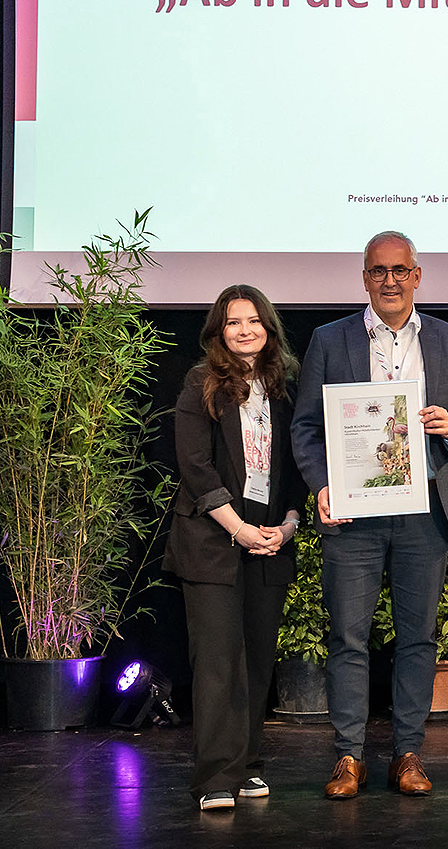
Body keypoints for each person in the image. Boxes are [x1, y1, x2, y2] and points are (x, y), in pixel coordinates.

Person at [291, 231, 448, 799]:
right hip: (353, 515)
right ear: (364, 279)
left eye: (400, 270)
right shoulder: (330, 339)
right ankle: (347, 757)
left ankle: (408, 753)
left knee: (418, 639)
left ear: (417, 276)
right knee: (348, 638)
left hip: (422, 509)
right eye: (378, 271)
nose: (390, 281)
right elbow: (306, 427)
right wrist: (322, 485)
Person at [163, 285, 307, 811]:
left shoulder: (285, 390)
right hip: (213, 541)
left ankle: (247, 766)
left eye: (253, 321)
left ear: (268, 327)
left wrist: (288, 525)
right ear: (218, 332)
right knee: (219, 662)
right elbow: (195, 468)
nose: (245, 330)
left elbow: (295, 469)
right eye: (233, 322)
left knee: (257, 660)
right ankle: (215, 778)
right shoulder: (200, 383)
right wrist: (239, 529)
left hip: (270, 538)